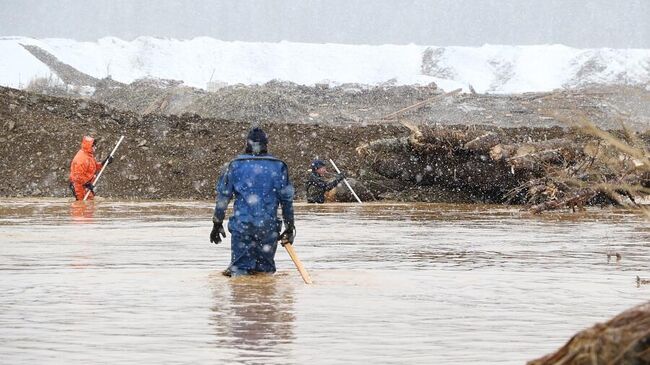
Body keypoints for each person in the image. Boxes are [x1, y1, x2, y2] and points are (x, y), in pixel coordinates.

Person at [210, 127, 295, 277]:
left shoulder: (235, 165)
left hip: (242, 227)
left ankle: (244, 295)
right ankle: (263, 296)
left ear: (247, 143)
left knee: (240, 274)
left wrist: (217, 223)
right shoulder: (278, 166)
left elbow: (223, 198)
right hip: (268, 228)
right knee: (265, 275)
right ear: (266, 144)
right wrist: (289, 227)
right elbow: (287, 201)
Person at [69, 136, 112, 200]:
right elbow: (77, 176)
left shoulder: (88, 155)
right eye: (94, 146)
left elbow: (94, 167)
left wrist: (105, 162)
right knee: (81, 206)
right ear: (89, 146)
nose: (95, 147)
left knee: (90, 204)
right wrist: (87, 184)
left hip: (85, 185)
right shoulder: (81, 159)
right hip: (79, 187)